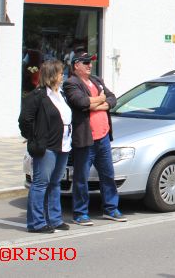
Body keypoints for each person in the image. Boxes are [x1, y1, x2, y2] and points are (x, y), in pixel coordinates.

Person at [63, 53, 125, 225]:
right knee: (81, 177)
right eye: (85, 63)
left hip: (103, 136)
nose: (89, 65)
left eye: (90, 63)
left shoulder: (97, 80)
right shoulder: (71, 83)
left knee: (108, 175)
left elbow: (113, 99)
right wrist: (101, 99)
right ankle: (80, 213)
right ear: (76, 65)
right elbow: (81, 103)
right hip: (85, 138)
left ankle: (111, 208)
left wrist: (97, 103)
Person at [18, 60, 72, 233]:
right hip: (47, 146)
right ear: (51, 75)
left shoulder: (61, 94)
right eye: (60, 73)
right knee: (41, 183)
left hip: (63, 145)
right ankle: (36, 222)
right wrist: (33, 137)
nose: (62, 75)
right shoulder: (38, 95)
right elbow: (24, 120)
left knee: (55, 183)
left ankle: (55, 219)